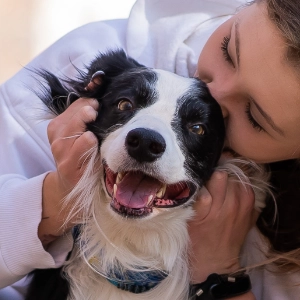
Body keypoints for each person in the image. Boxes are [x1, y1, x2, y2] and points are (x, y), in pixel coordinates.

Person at [0, 0, 300, 299]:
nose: (214, 94)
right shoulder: (96, 51)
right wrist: (56, 197)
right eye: (227, 50)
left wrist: (220, 275)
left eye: (254, 116)